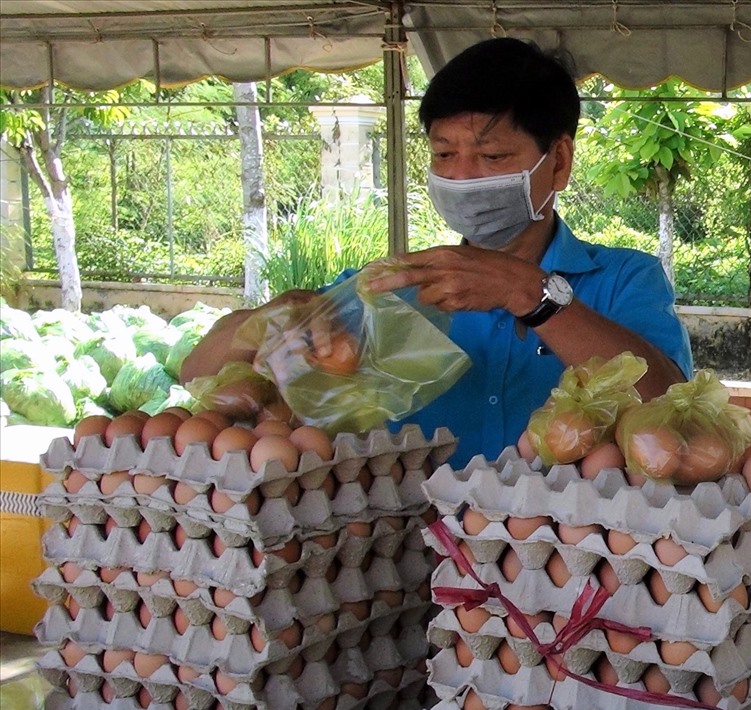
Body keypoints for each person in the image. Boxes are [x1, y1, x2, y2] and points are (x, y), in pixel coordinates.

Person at [182, 37, 693, 468]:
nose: (462, 177)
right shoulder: (388, 289)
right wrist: (269, 320)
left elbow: (674, 412)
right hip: (407, 560)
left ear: (557, 162)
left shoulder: (626, 279)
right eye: (444, 154)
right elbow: (196, 373)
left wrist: (532, 295)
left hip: (562, 559)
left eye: (491, 155)